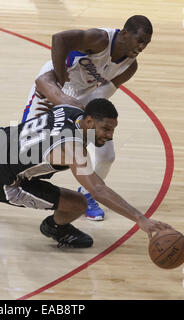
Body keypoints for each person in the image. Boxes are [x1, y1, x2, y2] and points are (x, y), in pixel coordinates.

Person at [0, 99, 172, 249]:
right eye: (105, 129)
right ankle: (55, 228)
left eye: (112, 129)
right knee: (79, 203)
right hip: (5, 182)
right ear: (87, 122)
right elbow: (98, 189)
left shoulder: (70, 110)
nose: (109, 136)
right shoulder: (73, 149)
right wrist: (141, 219)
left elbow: (49, 101)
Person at [21, 15, 153, 221]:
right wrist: (59, 82)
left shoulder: (130, 66)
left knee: (107, 155)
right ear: (125, 34)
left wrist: (81, 113)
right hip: (55, 83)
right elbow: (59, 39)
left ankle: (88, 196)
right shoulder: (100, 39)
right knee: (25, 146)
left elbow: (100, 96)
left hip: (84, 98)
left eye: (147, 43)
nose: (143, 46)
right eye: (140, 40)